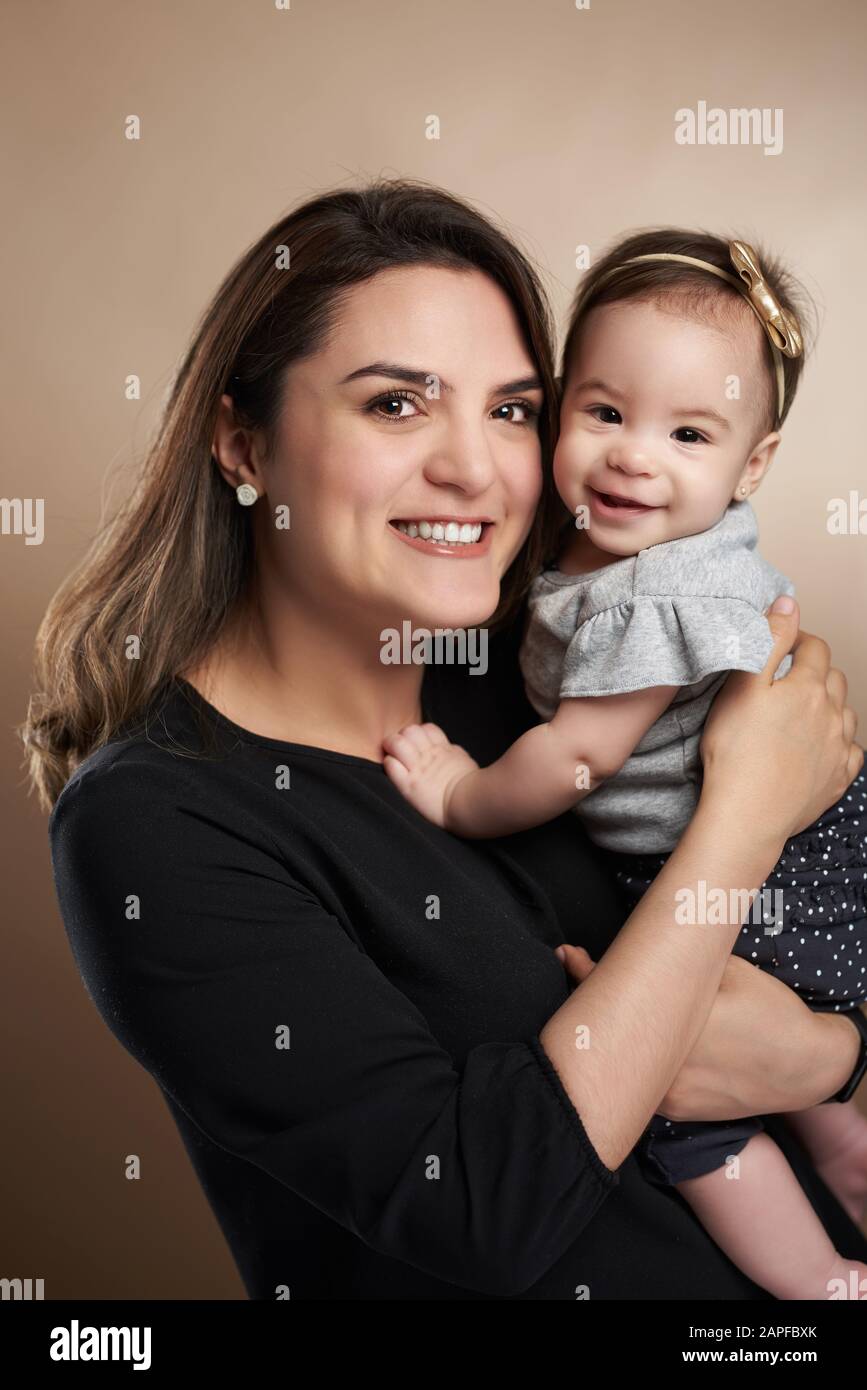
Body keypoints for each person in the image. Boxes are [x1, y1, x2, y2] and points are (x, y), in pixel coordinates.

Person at [23, 180, 867, 1300]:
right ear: (243, 445)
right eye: (396, 405)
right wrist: (744, 818)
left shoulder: (535, 671)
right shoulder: (156, 821)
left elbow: (808, 963)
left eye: (513, 409)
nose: (475, 468)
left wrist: (832, 1060)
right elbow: (480, 1208)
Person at [383, 228, 867, 1299]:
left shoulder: (657, 598)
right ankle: (840, 1146)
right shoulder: (604, 547)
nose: (633, 456)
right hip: (789, 842)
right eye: (604, 413)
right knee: (771, 1057)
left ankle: (821, 1280)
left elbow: (577, 758)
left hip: (773, 867)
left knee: (678, 1101)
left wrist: (460, 796)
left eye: (688, 433)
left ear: (754, 465)